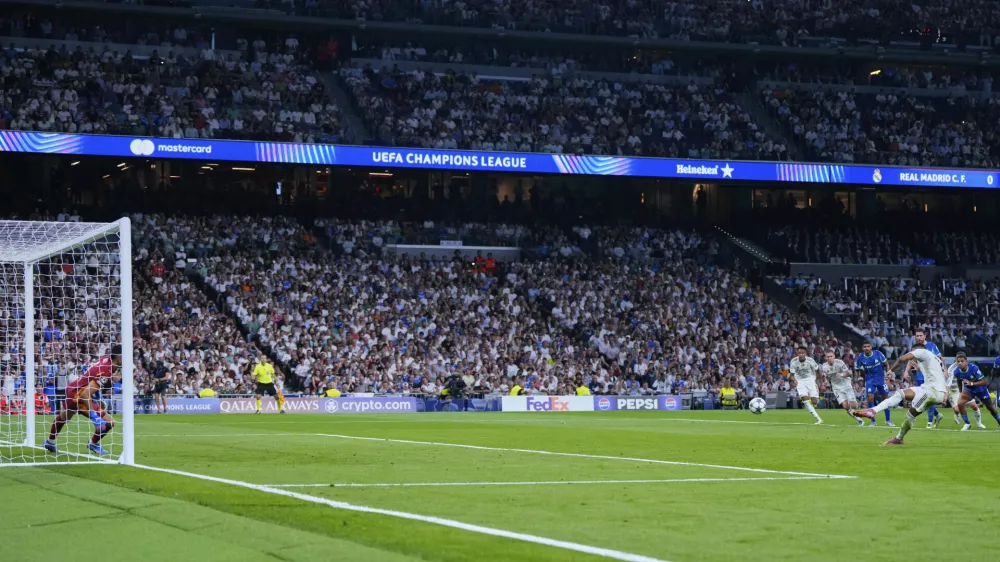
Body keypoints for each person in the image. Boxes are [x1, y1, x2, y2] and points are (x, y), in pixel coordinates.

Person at [854, 343, 948, 445]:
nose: (912, 354)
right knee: (900, 394)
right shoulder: (934, 358)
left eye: (912, 351)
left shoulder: (922, 351)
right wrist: (920, 369)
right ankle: (873, 410)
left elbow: (901, 359)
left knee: (910, 414)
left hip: (932, 391)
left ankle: (899, 438)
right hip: (931, 389)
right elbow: (938, 374)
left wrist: (890, 371)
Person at [43, 345, 122, 456]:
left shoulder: (106, 359)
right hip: (79, 395)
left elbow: (93, 378)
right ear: (119, 357)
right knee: (110, 422)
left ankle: (50, 442)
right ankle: (93, 443)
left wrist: (100, 392)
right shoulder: (106, 371)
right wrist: (94, 417)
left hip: (72, 388)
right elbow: (86, 394)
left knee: (64, 417)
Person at [950, 353, 1000, 430]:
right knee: (960, 403)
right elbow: (959, 381)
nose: (960, 363)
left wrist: (972, 383)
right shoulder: (956, 371)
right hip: (969, 389)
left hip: (980, 389)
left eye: (962, 361)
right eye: (958, 361)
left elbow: (984, 381)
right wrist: (961, 392)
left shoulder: (974, 368)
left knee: (990, 408)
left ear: (966, 362)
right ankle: (967, 424)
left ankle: (999, 421)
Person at [821, 350, 864, 426]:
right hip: (836, 388)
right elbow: (826, 376)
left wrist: (841, 375)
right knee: (845, 406)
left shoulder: (839, 363)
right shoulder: (824, 366)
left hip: (846, 385)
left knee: (854, 405)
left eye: (831, 356)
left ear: (834, 356)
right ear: (825, 357)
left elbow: (849, 373)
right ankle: (859, 420)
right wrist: (825, 382)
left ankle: (860, 405)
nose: (829, 358)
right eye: (827, 357)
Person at [855, 342, 894, 427]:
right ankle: (873, 421)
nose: (866, 348)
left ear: (871, 347)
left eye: (868, 346)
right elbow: (857, 369)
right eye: (865, 347)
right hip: (870, 380)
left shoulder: (878, 353)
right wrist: (858, 381)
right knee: (870, 399)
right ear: (862, 348)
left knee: (885, 400)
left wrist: (888, 375)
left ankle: (888, 420)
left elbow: (886, 364)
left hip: (881, 379)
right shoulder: (860, 357)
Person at [912, 329, 944, 428]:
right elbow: (910, 360)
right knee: (922, 399)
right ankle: (937, 415)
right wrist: (906, 372)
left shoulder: (932, 346)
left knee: (930, 397)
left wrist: (943, 371)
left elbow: (940, 358)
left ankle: (929, 422)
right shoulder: (915, 348)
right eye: (917, 336)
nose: (918, 338)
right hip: (920, 376)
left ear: (925, 336)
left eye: (920, 335)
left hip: (931, 377)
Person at [788, 346, 823, 424]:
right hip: (799, 381)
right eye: (799, 353)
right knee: (805, 399)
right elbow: (792, 374)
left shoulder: (810, 360)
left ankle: (815, 397)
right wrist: (793, 380)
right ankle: (818, 418)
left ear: (805, 353)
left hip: (810, 379)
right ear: (797, 353)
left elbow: (817, 371)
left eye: (802, 353)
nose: (801, 354)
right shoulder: (793, 361)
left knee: (814, 402)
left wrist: (820, 381)